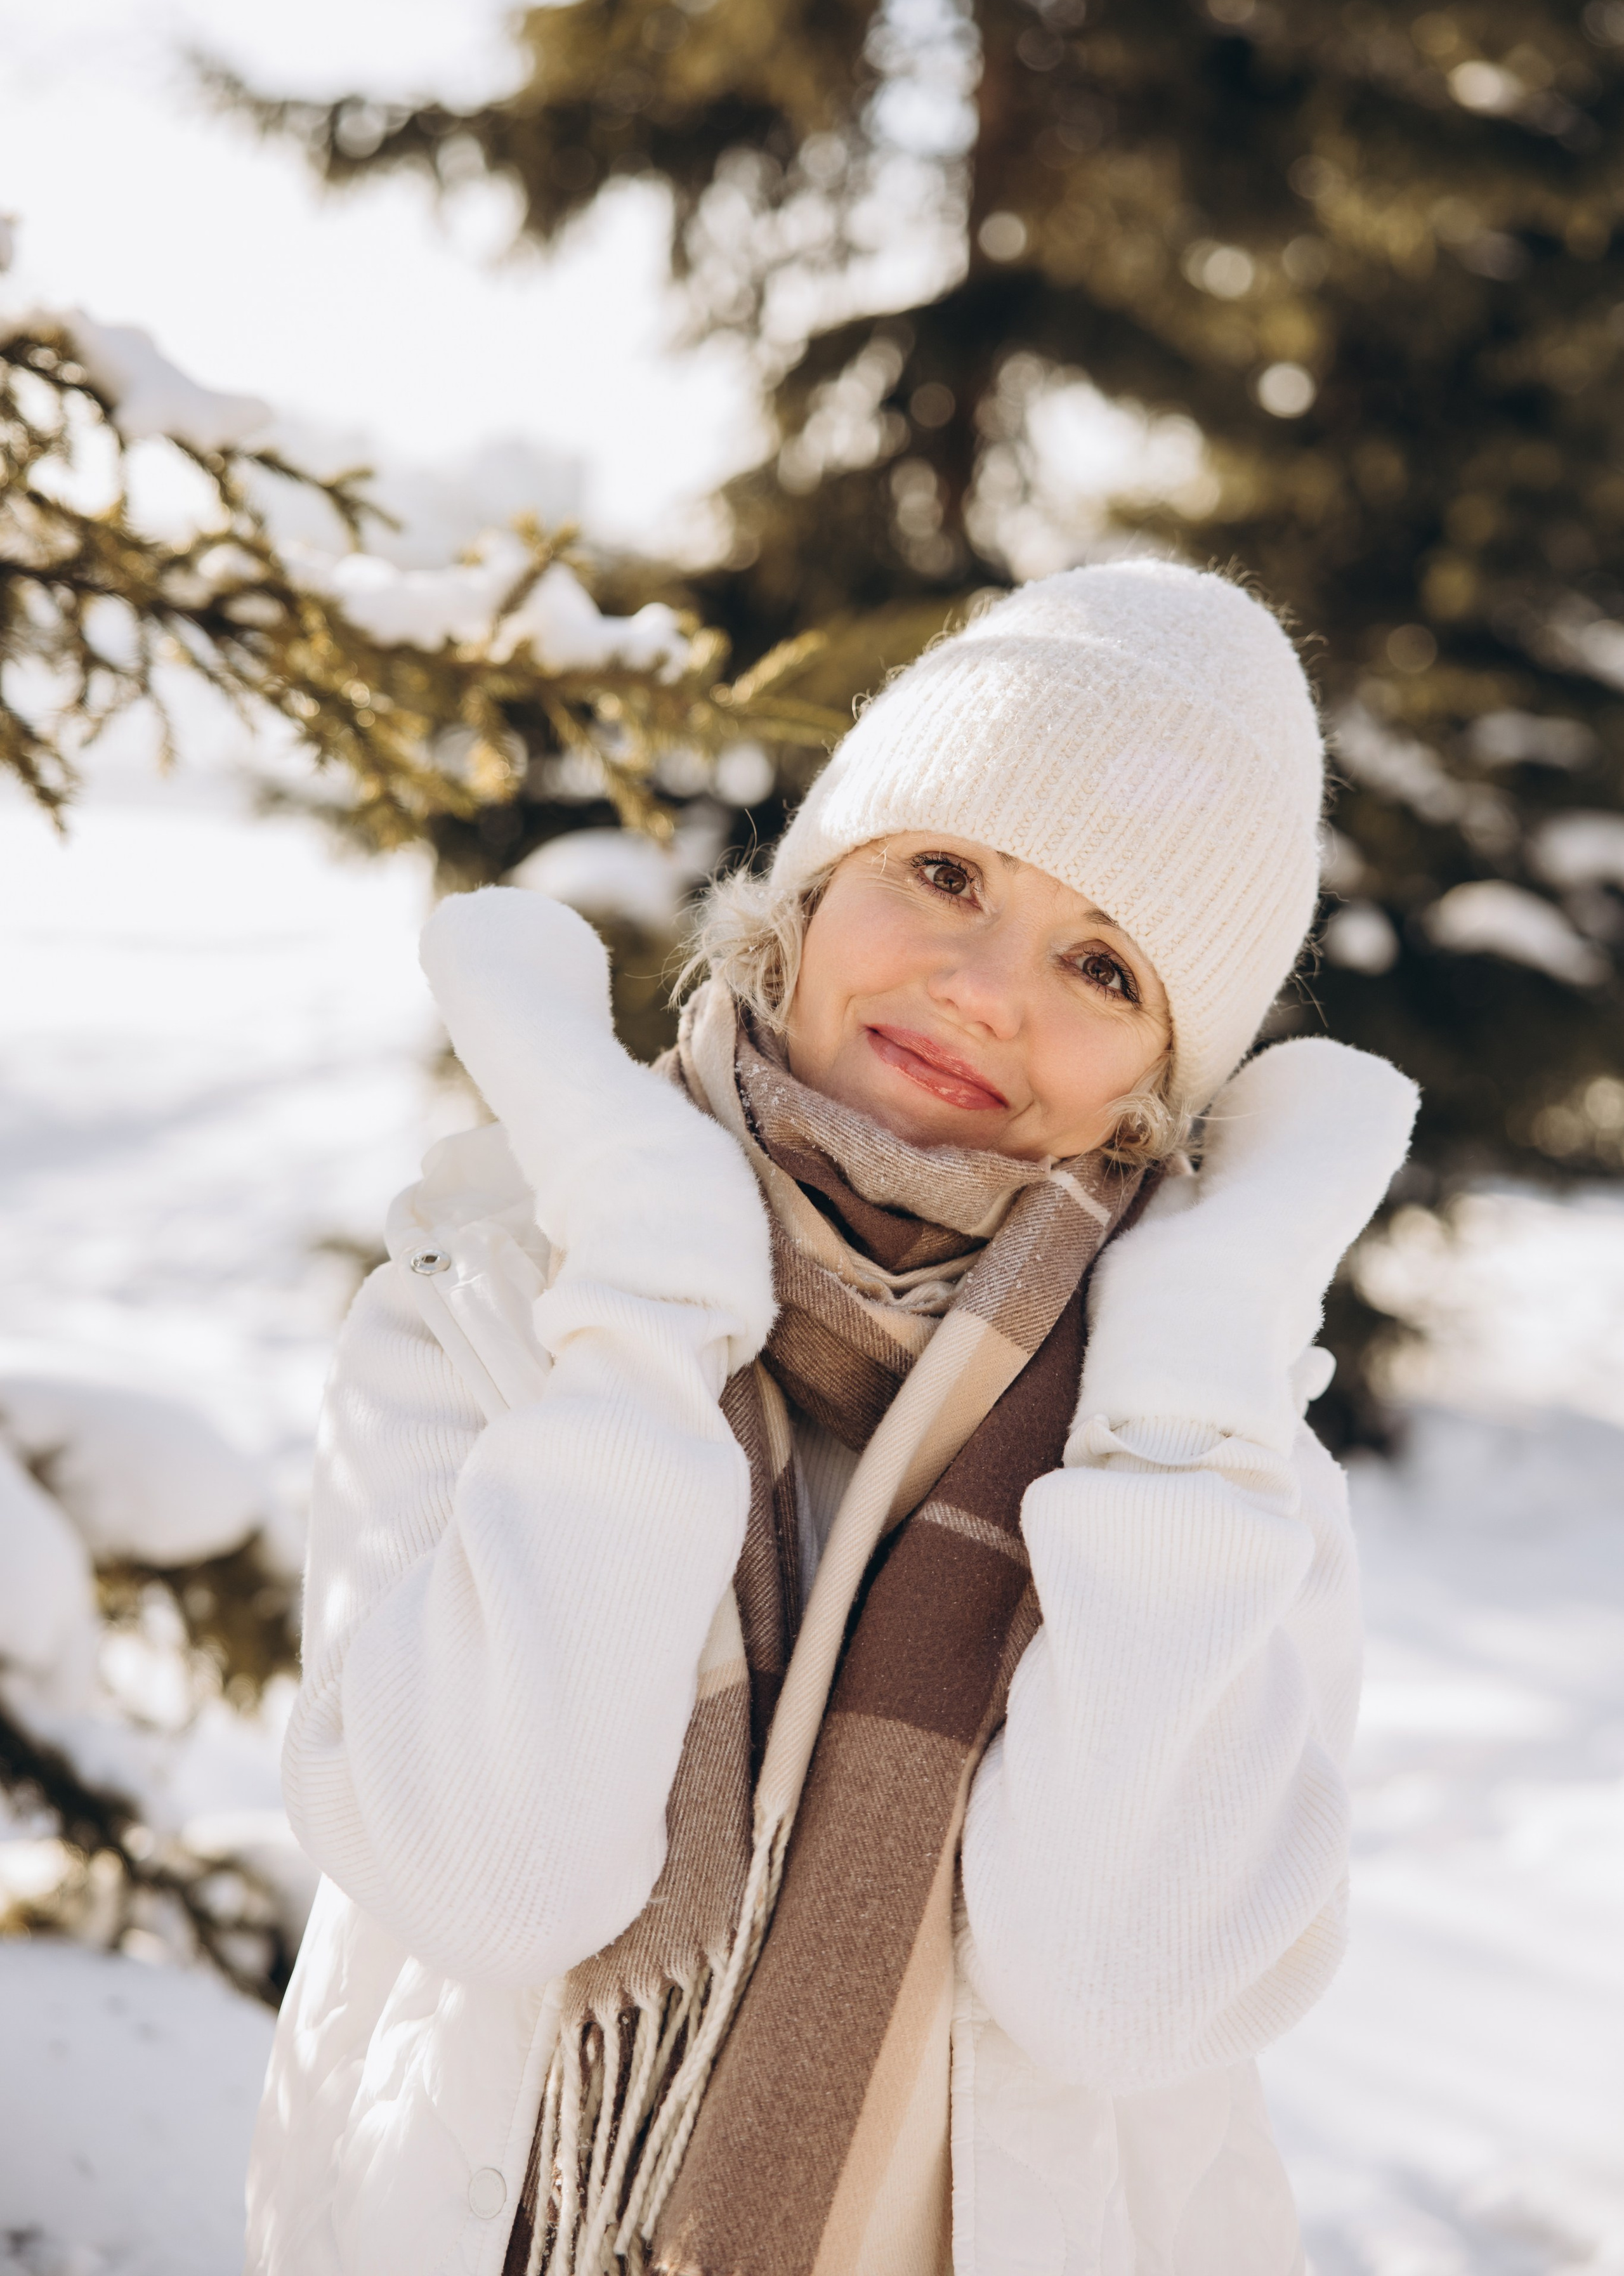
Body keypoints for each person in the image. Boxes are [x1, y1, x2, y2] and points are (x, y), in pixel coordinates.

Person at [245, 559, 1417, 2276]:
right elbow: (495, 1884)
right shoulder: (485, 1311)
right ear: (809, 890)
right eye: (944, 871)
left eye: (1105, 966)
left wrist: (1180, 1399)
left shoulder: (1220, 1467)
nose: (982, 985)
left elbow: (1117, 1992)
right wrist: (647, 1296)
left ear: (1168, 1078)